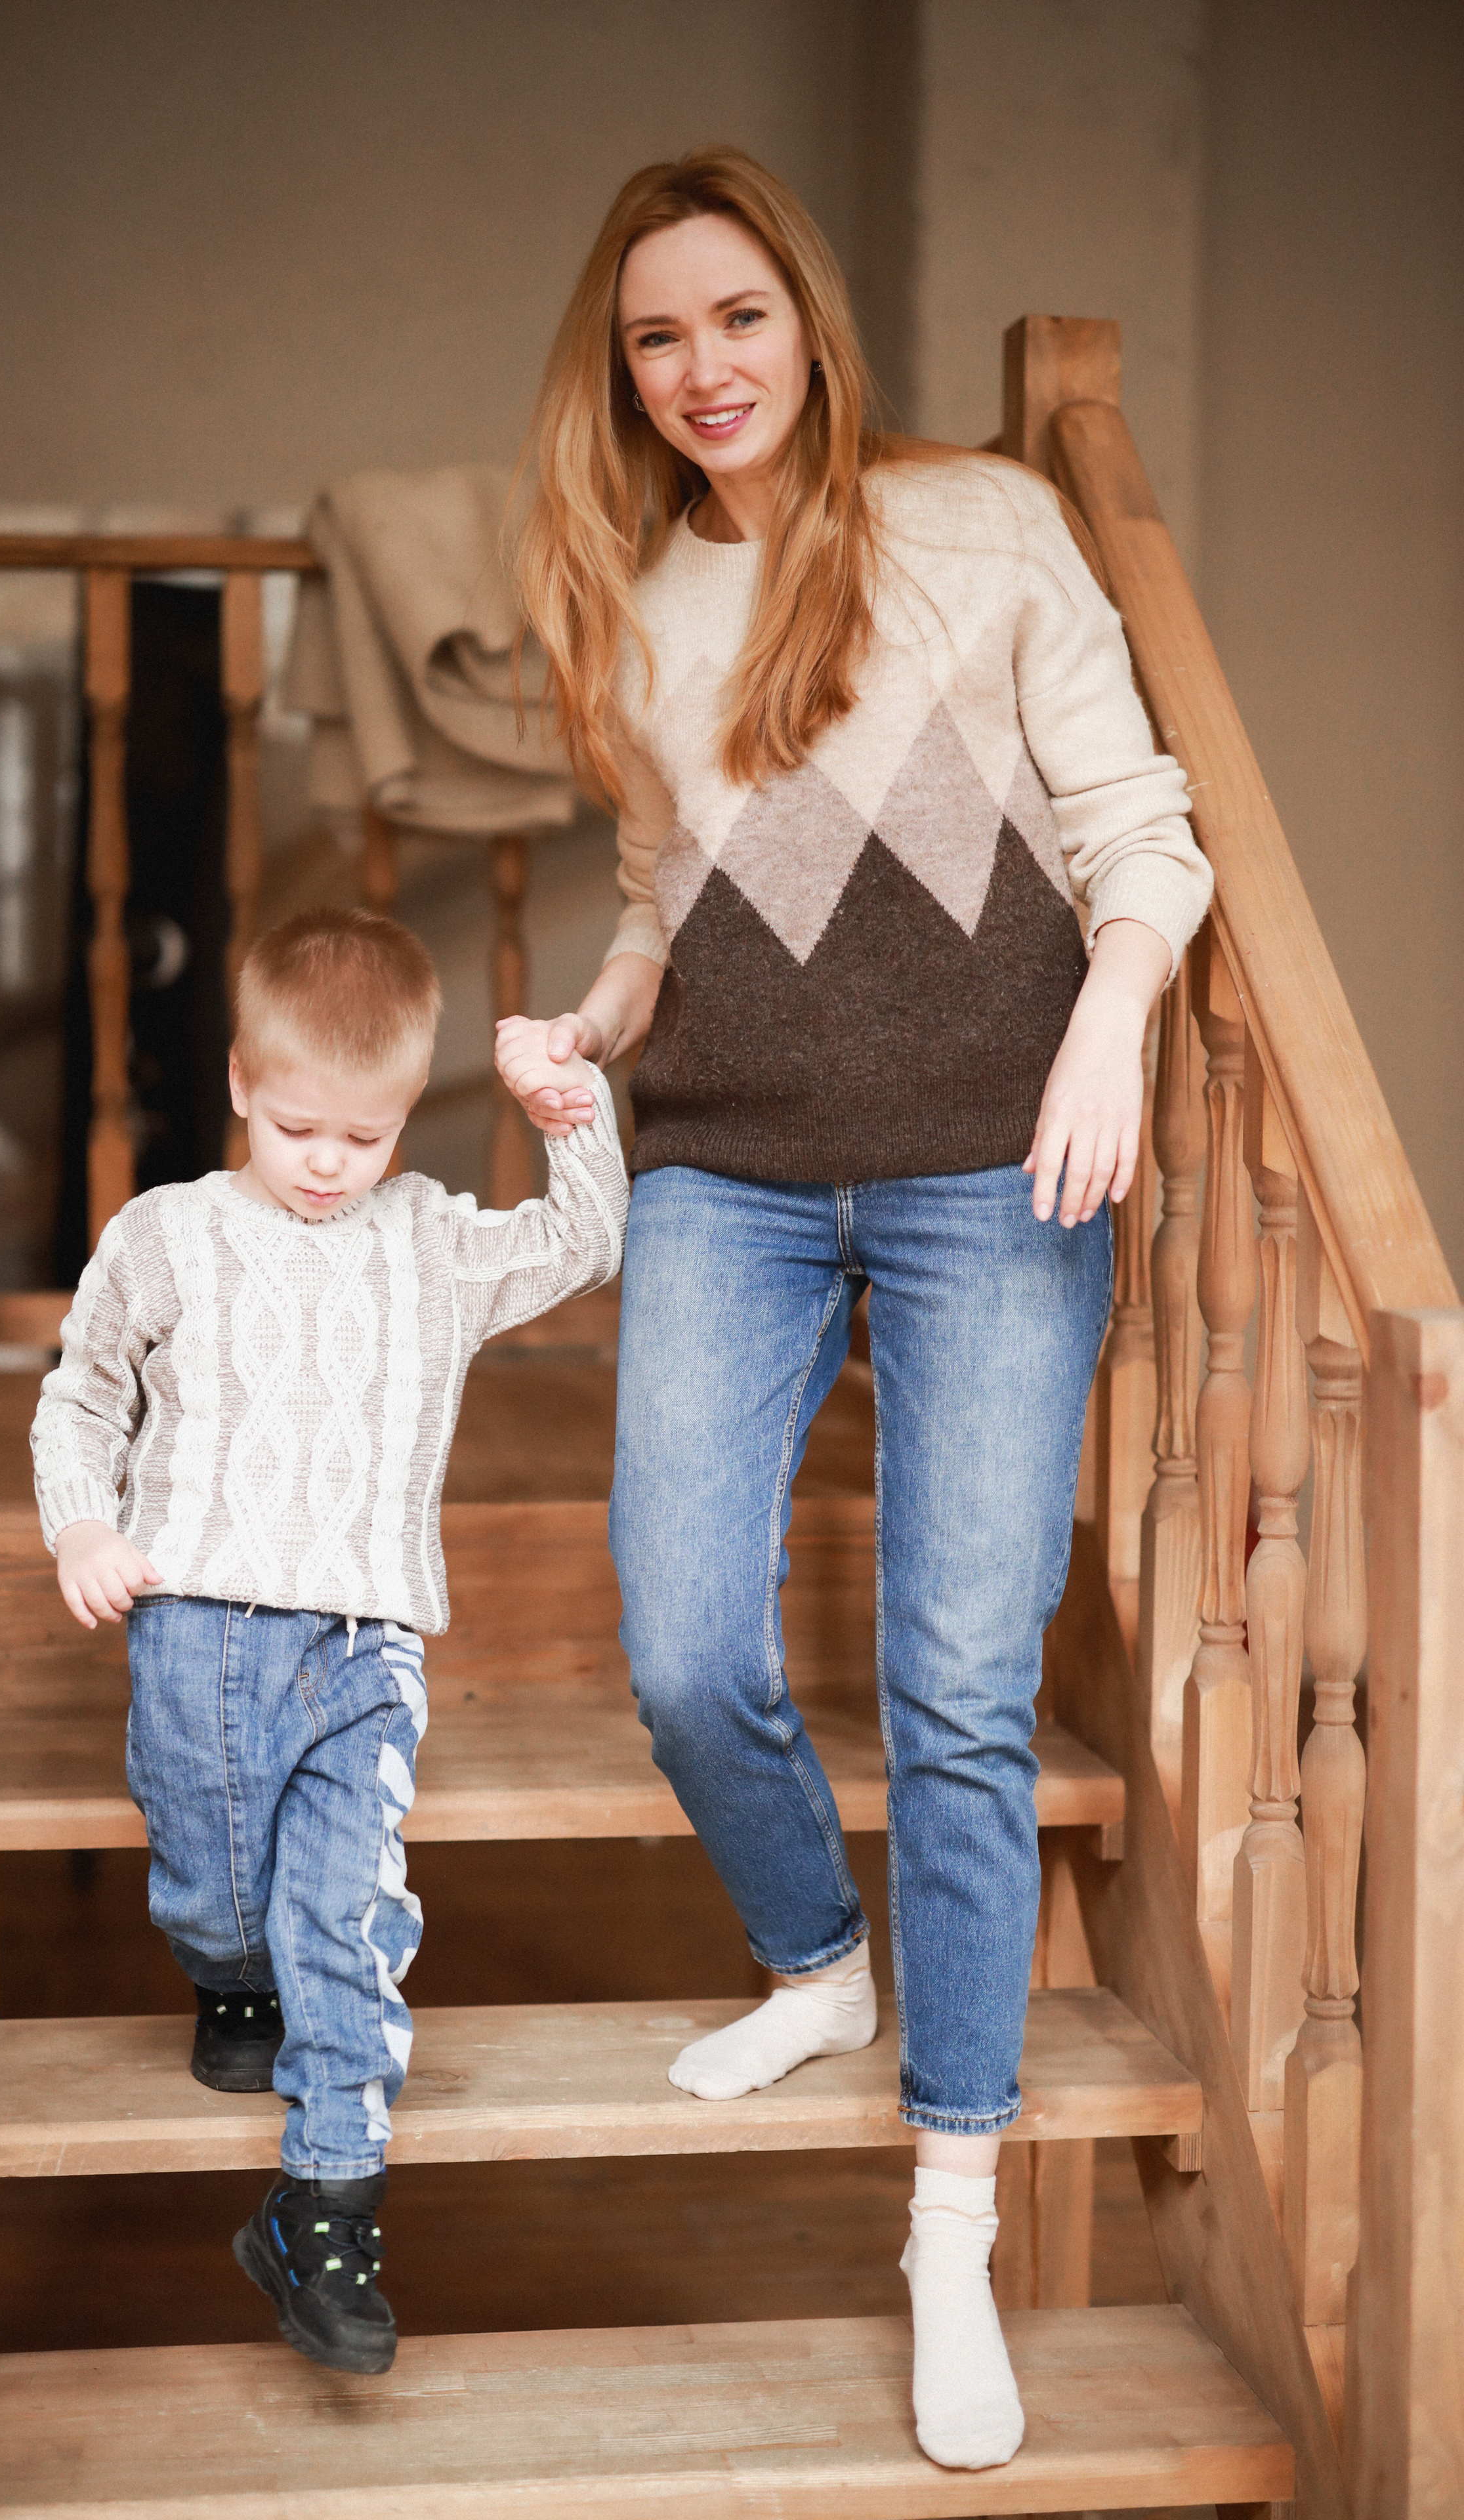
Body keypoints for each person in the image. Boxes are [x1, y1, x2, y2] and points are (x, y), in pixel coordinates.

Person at [495, 149, 1212, 2472]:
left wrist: (1105, 1027)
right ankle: (819, 1963)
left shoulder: (984, 528)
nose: (699, 372)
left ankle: (951, 2213)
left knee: (963, 1692)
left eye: (734, 319)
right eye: (652, 340)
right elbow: (656, 889)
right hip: (726, 1167)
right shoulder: (629, 596)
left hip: (998, 1161)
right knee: (690, 1641)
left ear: (809, 318)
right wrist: (594, 1018)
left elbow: (1142, 834)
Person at [31, 907, 627, 2376]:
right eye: (298, 1125)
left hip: (363, 1642)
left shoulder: (426, 1242)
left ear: (404, 1120)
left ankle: (326, 2209)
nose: (326, 1163)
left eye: (363, 1138)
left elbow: (581, 1242)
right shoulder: (166, 1236)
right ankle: (228, 1979)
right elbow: (82, 1396)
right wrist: (81, 1530)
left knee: (345, 1924)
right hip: (194, 1633)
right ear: (240, 1082)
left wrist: (573, 1115)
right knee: (214, 1885)